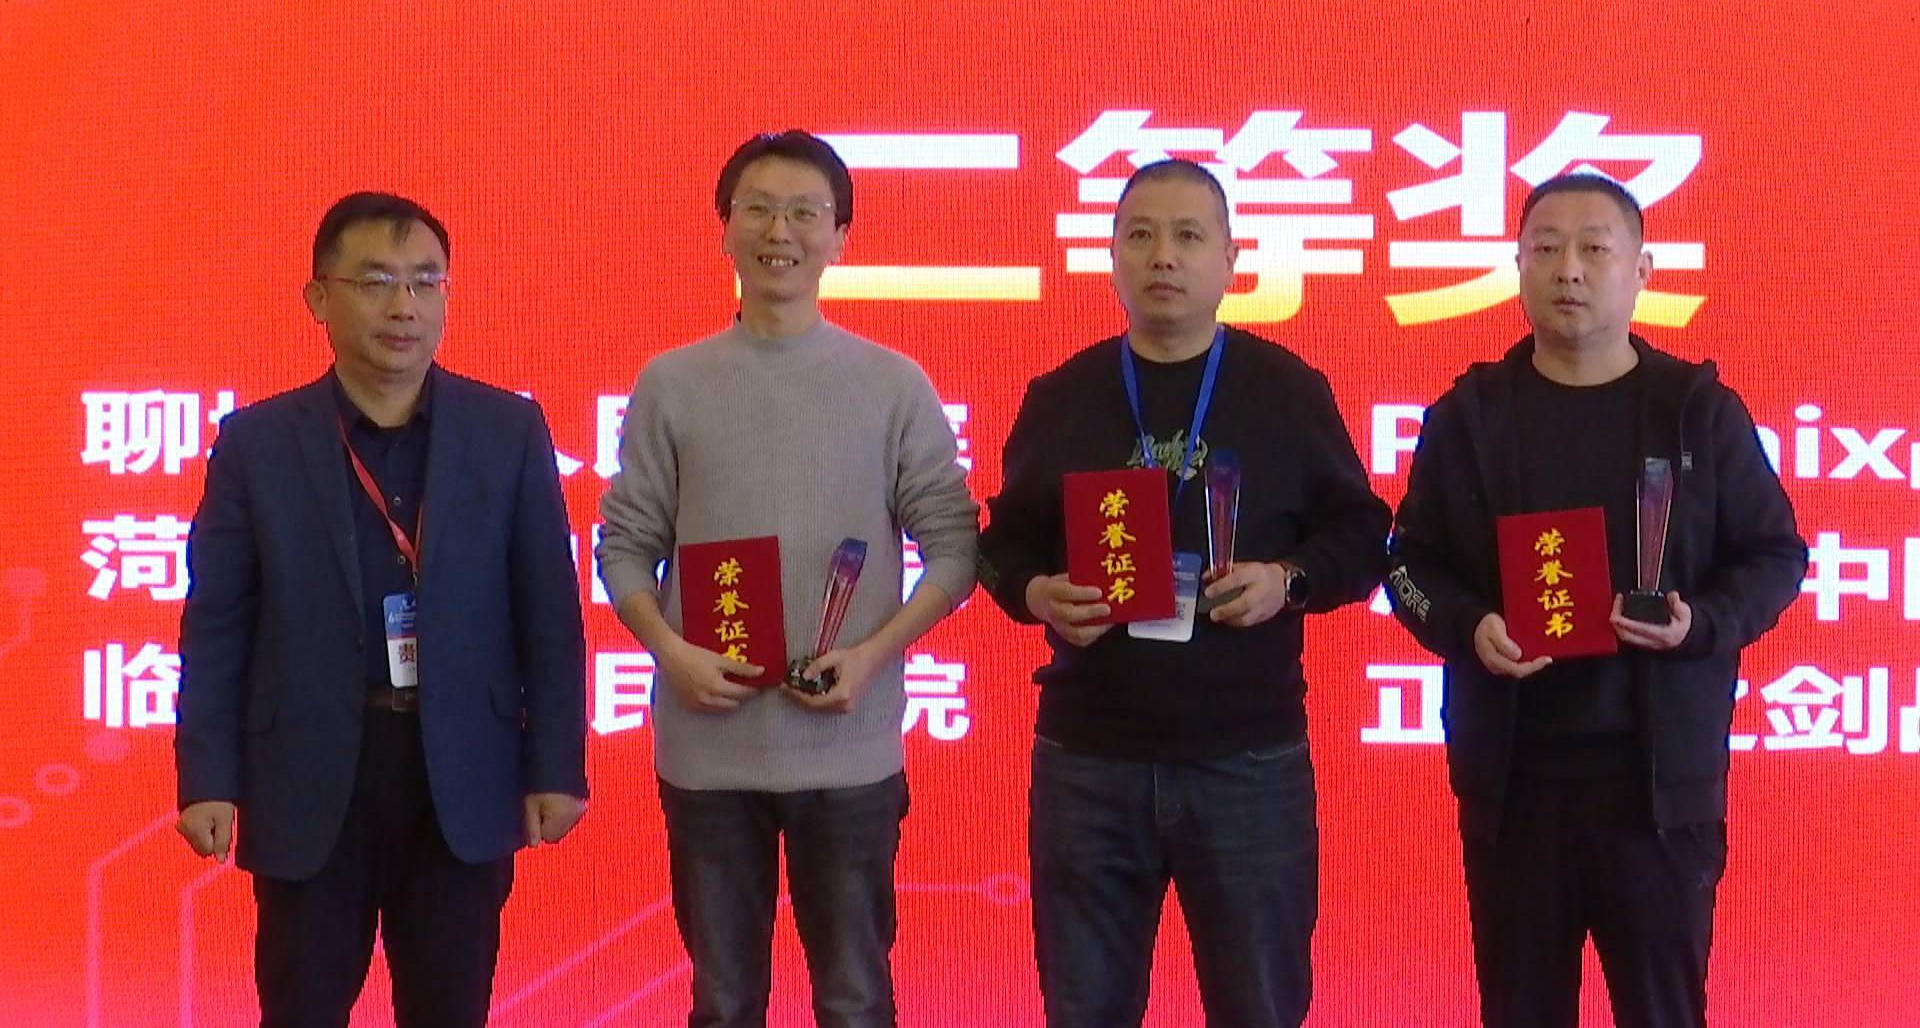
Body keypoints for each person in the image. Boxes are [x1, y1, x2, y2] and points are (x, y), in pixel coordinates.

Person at [1385, 172, 1808, 1027]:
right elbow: (1408, 565)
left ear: (1642, 270)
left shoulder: (1697, 413)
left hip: (1656, 788)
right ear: (1517, 265)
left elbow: (1776, 556)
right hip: (1516, 786)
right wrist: (1469, 626)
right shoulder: (1469, 416)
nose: (1567, 269)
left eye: (1593, 249)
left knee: (1663, 1010)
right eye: (1544, 248)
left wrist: (1702, 625)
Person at [976, 158, 1390, 1027]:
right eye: (1141, 235)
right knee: (1085, 1009)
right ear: (1112, 257)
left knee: (1260, 1007)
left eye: (1189, 236)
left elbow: (1361, 538)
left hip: (1246, 757)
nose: (1163, 255)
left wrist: (1287, 581)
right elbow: (1001, 545)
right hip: (1089, 756)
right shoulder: (1062, 396)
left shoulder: (1288, 391)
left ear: (1231, 260)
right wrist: (1037, 592)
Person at [174, 191, 589, 1028]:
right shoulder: (258, 442)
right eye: (376, 281)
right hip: (309, 774)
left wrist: (556, 764)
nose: (405, 306)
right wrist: (207, 779)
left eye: (426, 281)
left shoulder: (507, 430)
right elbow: (217, 625)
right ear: (319, 298)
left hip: (461, 774)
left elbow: (549, 611)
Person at [596, 130, 979, 1028]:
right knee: (724, 1001)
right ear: (724, 229)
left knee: (853, 999)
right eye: (759, 210)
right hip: (708, 752)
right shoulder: (673, 383)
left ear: (841, 236)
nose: (781, 231)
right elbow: (625, 546)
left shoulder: (891, 384)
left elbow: (955, 548)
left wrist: (874, 655)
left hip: (848, 750)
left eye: (806, 212)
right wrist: (672, 652)